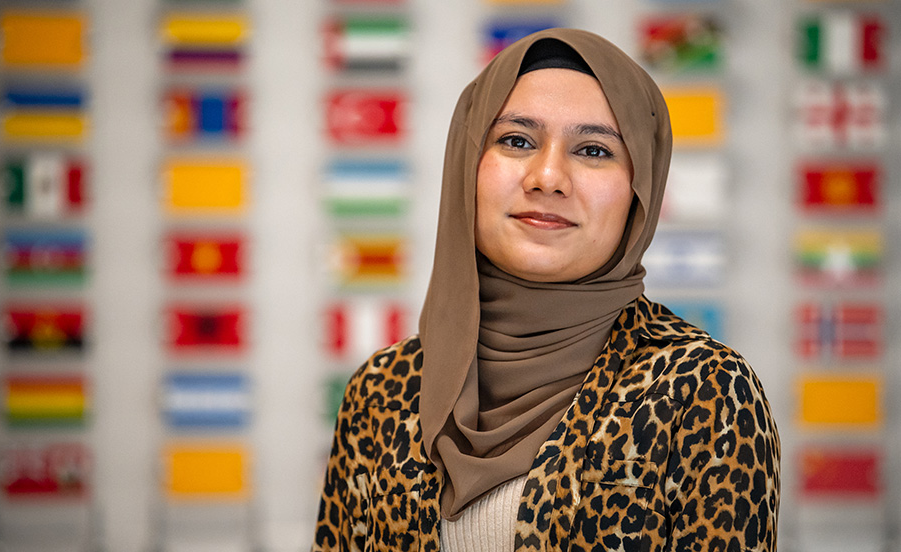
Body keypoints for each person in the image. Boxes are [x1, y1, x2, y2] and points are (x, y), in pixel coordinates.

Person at [312, 28, 779, 552]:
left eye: (594, 150)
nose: (548, 176)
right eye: (516, 141)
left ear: (639, 190)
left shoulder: (702, 391)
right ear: (469, 166)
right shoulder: (381, 390)